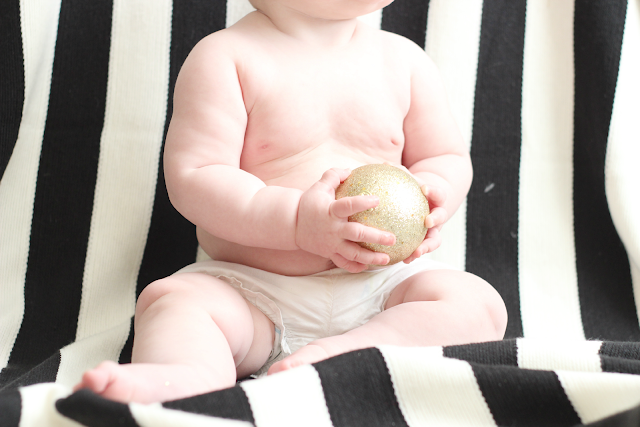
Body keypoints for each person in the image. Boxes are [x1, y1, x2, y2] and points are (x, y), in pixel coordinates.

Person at [74, 0, 507, 403]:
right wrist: (296, 222)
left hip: (383, 288)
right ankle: (186, 376)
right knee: (176, 302)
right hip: (253, 293)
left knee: (477, 303)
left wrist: (432, 194)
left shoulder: (405, 60)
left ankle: (351, 352)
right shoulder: (226, 58)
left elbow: (443, 157)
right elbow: (195, 178)